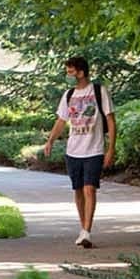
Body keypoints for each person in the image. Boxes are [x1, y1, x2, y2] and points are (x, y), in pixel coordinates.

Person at [44, 56, 116, 248]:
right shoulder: (68, 95)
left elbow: (110, 120)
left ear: (81, 72)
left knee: (89, 188)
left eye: (70, 72)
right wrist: (50, 140)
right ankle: (82, 227)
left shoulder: (100, 91)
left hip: (94, 149)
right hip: (73, 150)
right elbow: (61, 121)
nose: (68, 75)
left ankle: (86, 231)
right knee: (78, 190)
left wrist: (111, 149)